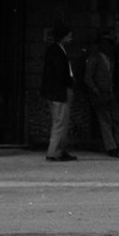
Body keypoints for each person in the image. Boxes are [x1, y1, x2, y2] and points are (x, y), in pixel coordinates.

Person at [84, 33, 119, 157]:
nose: (108, 46)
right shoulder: (94, 58)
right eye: (106, 43)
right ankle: (111, 147)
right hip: (100, 93)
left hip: (109, 92)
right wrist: (96, 90)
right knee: (105, 120)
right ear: (100, 45)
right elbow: (88, 77)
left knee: (114, 120)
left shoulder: (109, 59)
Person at [41, 24, 78, 162]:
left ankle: (60, 150)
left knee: (62, 121)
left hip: (56, 90)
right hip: (59, 91)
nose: (71, 37)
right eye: (68, 35)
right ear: (62, 36)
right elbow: (60, 73)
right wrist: (70, 81)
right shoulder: (57, 51)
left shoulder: (56, 50)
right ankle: (53, 152)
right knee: (60, 122)